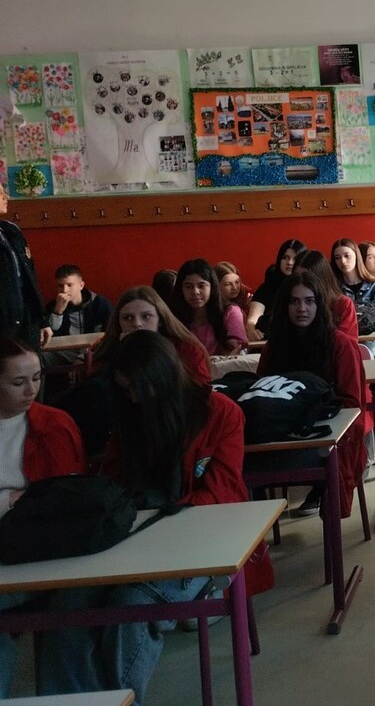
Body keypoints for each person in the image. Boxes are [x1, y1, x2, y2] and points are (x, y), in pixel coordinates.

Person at [36, 330, 247, 704]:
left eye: (137, 388)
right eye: (125, 390)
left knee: (131, 602)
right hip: (134, 538)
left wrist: (160, 525)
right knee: (68, 603)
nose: (133, 397)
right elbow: (115, 486)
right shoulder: (130, 417)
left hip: (202, 540)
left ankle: (118, 700)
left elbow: (223, 494)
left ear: (163, 378)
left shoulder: (219, 413)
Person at [0, 337, 85, 698]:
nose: (31, 390)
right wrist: (9, 499)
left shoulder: (54, 425)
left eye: (36, 378)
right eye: (18, 382)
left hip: (41, 554)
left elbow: (61, 504)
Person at [256, 270, 368, 518]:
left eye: (309, 301)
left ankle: (323, 500)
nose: (302, 309)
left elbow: (351, 406)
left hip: (326, 435)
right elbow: (262, 392)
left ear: (320, 304)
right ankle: (257, 530)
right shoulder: (274, 347)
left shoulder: (339, 344)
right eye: (294, 302)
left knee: (331, 457)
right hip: (281, 435)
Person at [93, 287, 212, 385]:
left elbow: (201, 396)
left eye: (146, 316)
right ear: (118, 323)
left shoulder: (188, 349)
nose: (137, 324)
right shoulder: (108, 350)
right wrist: (124, 356)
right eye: (128, 318)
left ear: (160, 319)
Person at [0, 192, 50, 348]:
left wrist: (41, 320)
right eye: (0, 193)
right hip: (3, 324)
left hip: (25, 320)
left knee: (32, 362)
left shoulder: (10, 231)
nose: (6, 196)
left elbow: (29, 278)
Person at [169, 258, 247, 356]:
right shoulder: (173, 317)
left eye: (201, 286)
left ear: (212, 286)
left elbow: (233, 351)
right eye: (188, 287)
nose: (195, 292)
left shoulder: (230, 312)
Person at [245, 238, 307, 341]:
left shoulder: (308, 288)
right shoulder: (267, 287)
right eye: (285, 257)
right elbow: (253, 318)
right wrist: (251, 328)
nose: (289, 262)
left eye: (295, 259)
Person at [296, 250, 358, 339]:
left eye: (307, 278)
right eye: (297, 277)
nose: (301, 282)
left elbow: (347, 343)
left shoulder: (343, 304)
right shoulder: (292, 304)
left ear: (321, 278)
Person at [44, 264, 112, 338]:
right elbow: (49, 335)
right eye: (60, 286)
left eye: (70, 285)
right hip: (65, 345)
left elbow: (110, 330)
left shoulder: (99, 303)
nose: (64, 290)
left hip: (94, 344)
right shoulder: (51, 306)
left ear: (81, 285)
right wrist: (57, 313)